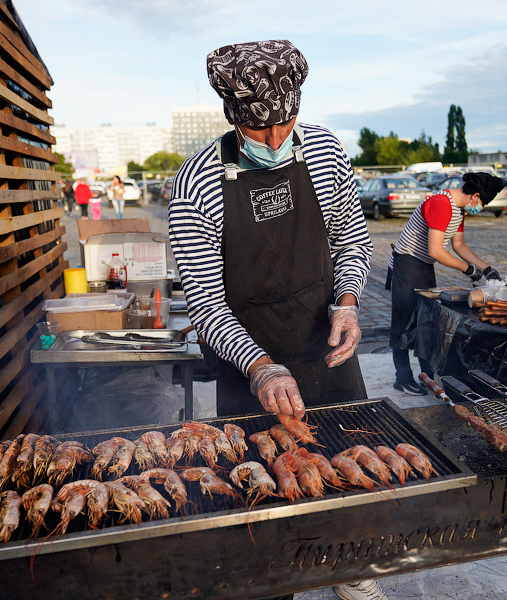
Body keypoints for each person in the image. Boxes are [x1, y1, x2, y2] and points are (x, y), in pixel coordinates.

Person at [168, 40, 386, 600]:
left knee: (350, 460)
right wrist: (260, 366)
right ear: (232, 116)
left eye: (283, 124)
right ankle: (272, 582)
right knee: (262, 486)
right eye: (258, 129)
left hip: (323, 344)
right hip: (248, 354)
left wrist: (348, 301)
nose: (273, 140)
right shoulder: (197, 182)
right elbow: (204, 303)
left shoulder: (325, 150)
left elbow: (352, 240)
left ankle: (352, 569)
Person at [387, 172, 505, 395]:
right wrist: (467, 269)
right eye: (482, 203)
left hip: (423, 265)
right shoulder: (441, 203)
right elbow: (436, 251)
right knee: (404, 323)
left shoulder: (459, 210)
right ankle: (402, 378)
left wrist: (485, 268)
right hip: (407, 263)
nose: (481, 208)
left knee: (425, 320)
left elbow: (459, 245)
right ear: (475, 196)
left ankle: (427, 377)